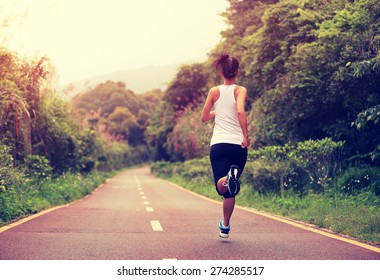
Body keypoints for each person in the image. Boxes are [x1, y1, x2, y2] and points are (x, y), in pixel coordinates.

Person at [201, 54, 250, 238]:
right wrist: (246, 136)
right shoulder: (240, 90)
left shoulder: (214, 91)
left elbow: (204, 117)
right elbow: (240, 111)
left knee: (223, 188)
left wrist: (217, 110)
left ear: (221, 72)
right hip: (238, 145)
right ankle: (226, 224)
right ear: (237, 71)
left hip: (219, 144)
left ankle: (225, 225)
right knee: (231, 188)